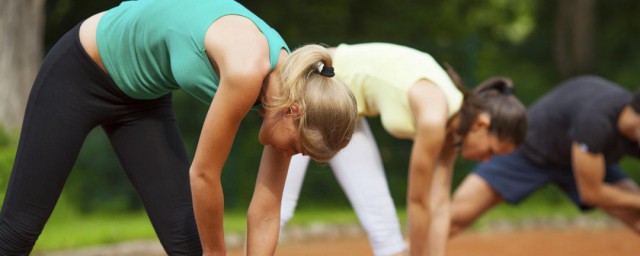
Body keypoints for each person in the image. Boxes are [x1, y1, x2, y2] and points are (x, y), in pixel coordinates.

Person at [0, 0, 358, 255]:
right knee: (18, 232)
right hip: (81, 72)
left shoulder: (290, 87)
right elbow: (203, 175)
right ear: (294, 112)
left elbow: (265, 211)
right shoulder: (248, 69)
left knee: (188, 246)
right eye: (298, 148)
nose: (292, 154)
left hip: (142, 101)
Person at [279, 43, 527, 256]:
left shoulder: (451, 130)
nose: (486, 160)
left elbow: (440, 207)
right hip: (316, 89)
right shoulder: (434, 117)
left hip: (348, 114)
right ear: (481, 125)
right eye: (491, 151)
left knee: (388, 237)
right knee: (279, 209)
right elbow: (418, 202)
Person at [450, 76, 640, 238]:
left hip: (585, 160)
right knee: (455, 217)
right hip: (528, 152)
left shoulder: (631, 128)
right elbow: (592, 193)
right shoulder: (596, 119)